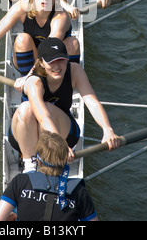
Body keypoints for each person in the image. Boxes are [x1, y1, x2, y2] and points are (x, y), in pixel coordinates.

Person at [8, 37, 120, 172]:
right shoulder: (34, 82)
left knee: (47, 108)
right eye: (51, 62)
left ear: (67, 59)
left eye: (61, 60)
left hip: (64, 129)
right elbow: (43, 116)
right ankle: (30, 164)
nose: (57, 67)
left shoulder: (75, 71)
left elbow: (92, 102)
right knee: (26, 108)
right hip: (26, 133)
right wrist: (59, 144)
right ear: (41, 63)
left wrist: (107, 129)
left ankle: (48, 161)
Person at [0, 131, 98, 222]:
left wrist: (12, 217)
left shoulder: (21, 182)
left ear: (38, 160)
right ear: (65, 161)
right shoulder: (79, 192)